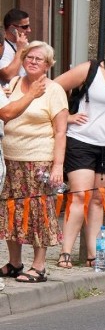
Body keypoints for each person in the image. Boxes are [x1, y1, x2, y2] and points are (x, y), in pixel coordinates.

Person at [55, 32, 105, 271]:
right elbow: (55, 87)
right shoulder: (90, 69)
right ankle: (65, 252)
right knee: (80, 195)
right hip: (82, 140)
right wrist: (67, 117)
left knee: (99, 199)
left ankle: (93, 255)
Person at [0, 42, 65, 284]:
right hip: (10, 159)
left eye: (39, 59)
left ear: (48, 64)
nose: (33, 61)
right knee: (10, 211)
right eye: (29, 57)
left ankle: (39, 266)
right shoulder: (14, 84)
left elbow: (60, 132)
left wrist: (58, 166)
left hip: (38, 160)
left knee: (39, 212)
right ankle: (15, 262)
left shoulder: (54, 90)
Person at [0, 9, 29, 83]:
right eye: (25, 27)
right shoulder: (2, 47)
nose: (29, 30)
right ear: (12, 28)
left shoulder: (25, 44)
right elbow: (8, 76)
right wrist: (20, 50)